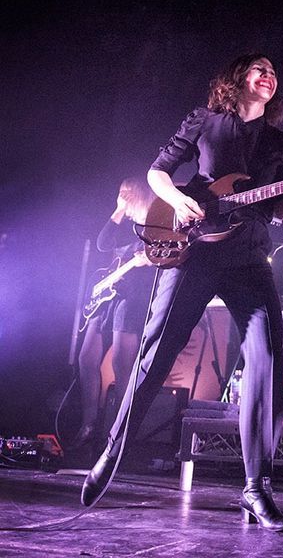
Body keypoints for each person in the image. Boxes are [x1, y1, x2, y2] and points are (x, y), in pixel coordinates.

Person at [81, 53, 283, 533]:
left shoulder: (280, 139)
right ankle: (113, 451)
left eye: (274, 70)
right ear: (238, 78)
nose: (270, 74)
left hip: (249, 259)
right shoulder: (204, 121)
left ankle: (256, 488)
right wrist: (178, 199)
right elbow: (159, 171)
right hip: (195, 252)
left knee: (267, 360)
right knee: (156, 353)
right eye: (259, 68)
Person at [74, 178, 156, 447]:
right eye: (119, 195)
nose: (122, 200)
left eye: (126, 196)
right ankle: (88, 423)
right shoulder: (125, 225)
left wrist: (150, 259)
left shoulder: (156, 220)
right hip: (109, 295)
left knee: (122, 363)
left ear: (139, 194)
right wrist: (118, 211)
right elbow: (103, 243)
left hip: (134, 296)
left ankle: (122, 433)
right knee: (86, 358)